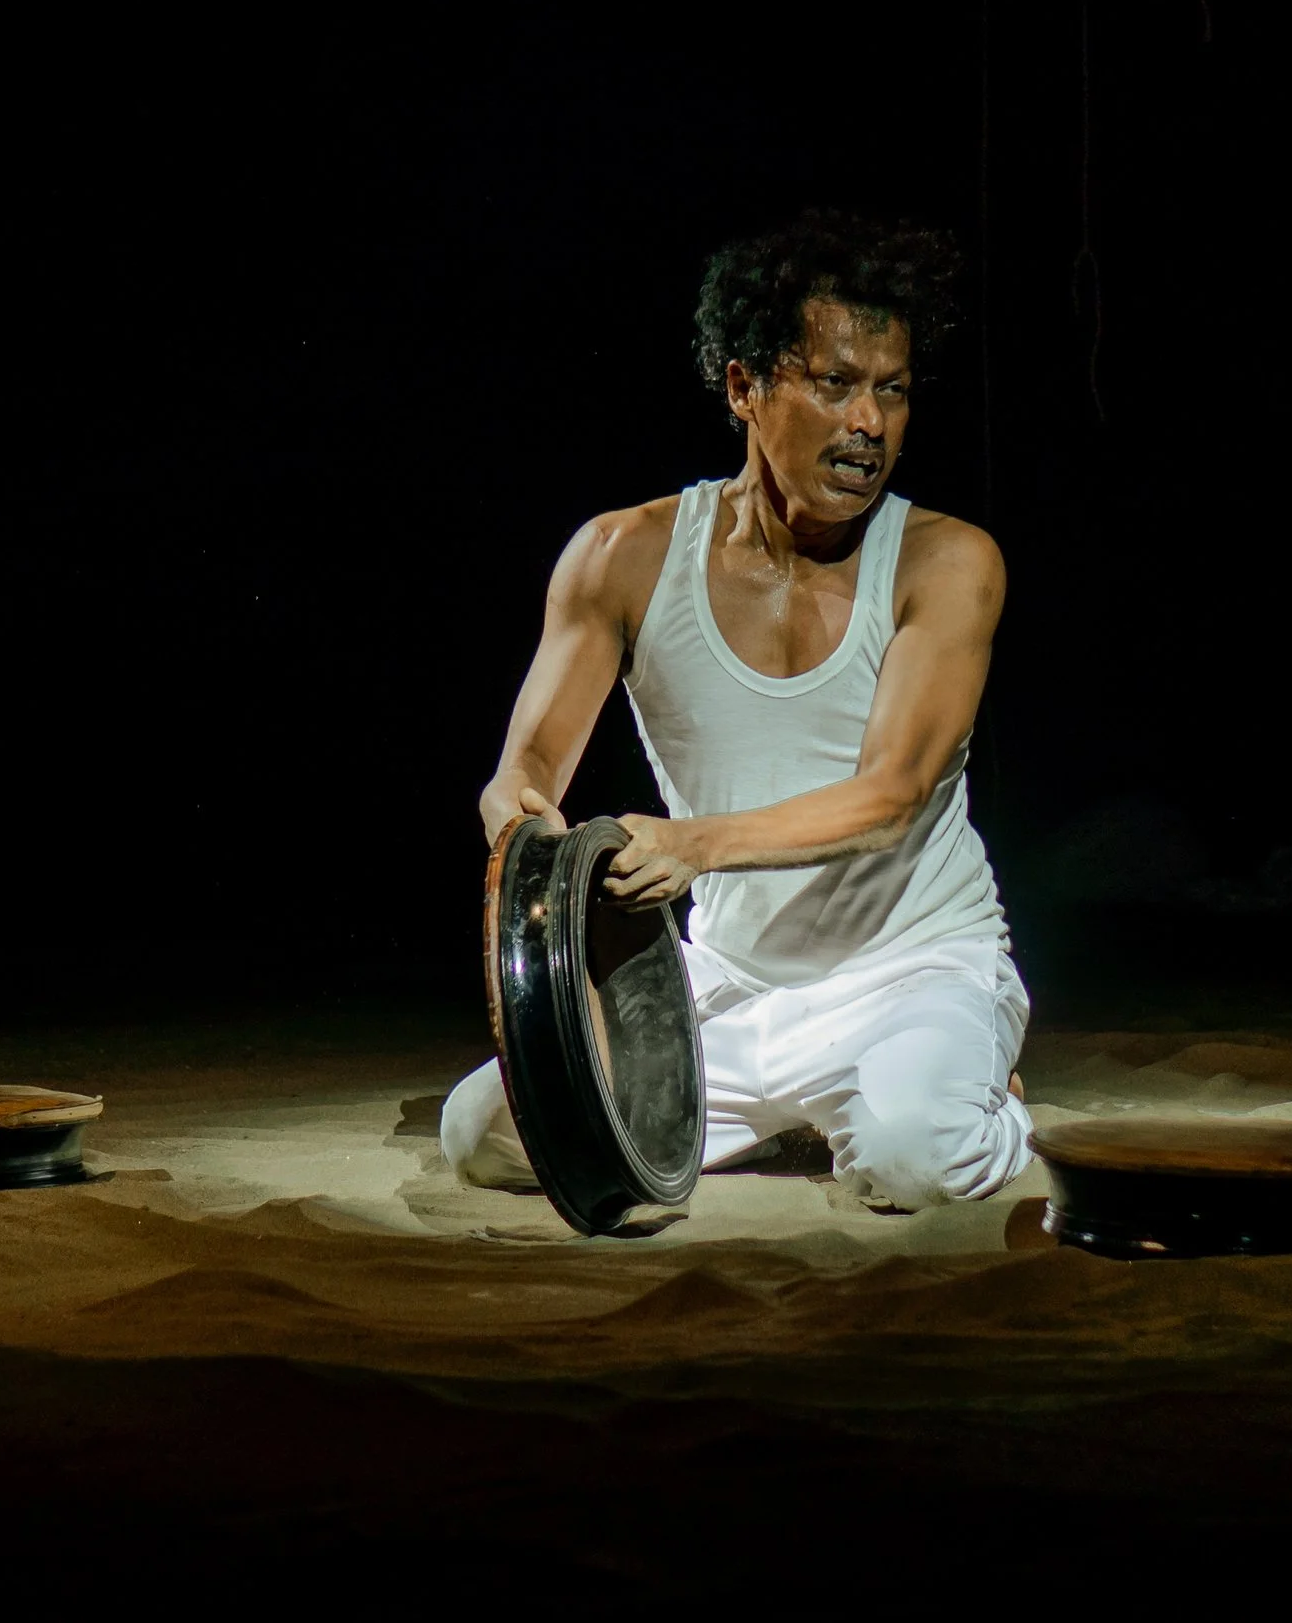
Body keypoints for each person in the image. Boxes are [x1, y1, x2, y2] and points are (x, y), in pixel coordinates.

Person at [440, 210, 1030, 1211]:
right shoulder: (620, 555)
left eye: (890, 390)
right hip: (733, 983)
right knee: (489, 1132)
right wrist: (530, 836)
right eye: (834, 384)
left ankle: (986, 1096)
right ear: (743, 387)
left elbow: (889, 797)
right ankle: (807, 1106)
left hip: (916, 968)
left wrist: (695, 845)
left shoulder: (946, 561)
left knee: (911, 1160)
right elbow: (524, 767)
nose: (869, 423)